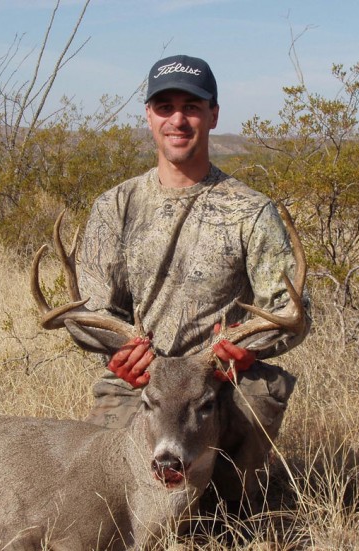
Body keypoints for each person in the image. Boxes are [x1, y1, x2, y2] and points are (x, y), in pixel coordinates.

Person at [76, 54, 310, 506]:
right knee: (102, 499)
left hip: (217, 381)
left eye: (192, 106)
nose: (177, 119)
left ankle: (225, 507)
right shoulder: (116, 206)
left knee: (222, 508)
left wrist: (249, 349)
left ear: (213, 114)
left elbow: (291, 311)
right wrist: (118, 351)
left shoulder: (250, 209)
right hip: (143, 381)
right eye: (165, 107)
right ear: (149, 115)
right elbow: (88, 311)